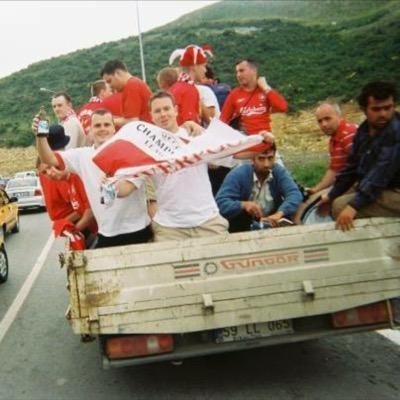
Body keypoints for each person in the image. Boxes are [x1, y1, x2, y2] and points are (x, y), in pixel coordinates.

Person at [114, 91, 228, 242]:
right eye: (157, 111)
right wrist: (109, 186)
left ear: (175, 110)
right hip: (170, 229)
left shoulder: (195, 136)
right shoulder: (146, 149)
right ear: (151, 116)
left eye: (166, 109)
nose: (163, 114)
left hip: (208, 222)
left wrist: (261, 140)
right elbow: (126, 188)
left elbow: (231, 153)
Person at [33, 109, 152, 248]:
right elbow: (49, 158)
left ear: (114, 128)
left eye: (106, 125)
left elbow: (127, 189)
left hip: (138, 230)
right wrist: (41, 135)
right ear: (90, 129)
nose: (102, 129)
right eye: (97, 125)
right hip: (107, 234)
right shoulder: (82, 156)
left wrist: (111, 187)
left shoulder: (131, 153)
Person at [318, 81, 400, 231]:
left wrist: (353, 206)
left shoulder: (395, 132)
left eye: (388, 108)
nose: (383, 114)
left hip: (395, 189)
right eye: (376, 109)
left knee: (340, 206)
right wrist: (331, 194)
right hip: (382, 185)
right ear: (364, 110)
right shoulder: (364, 131)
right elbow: (351, 168)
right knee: (333, 198)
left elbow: (381, 172)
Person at [216, 143, 302, 233]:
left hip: (272, 223)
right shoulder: (238, 174)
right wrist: (243, 205)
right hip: (243, 227)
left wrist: (279, 214)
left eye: (270, 158)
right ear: (252, 159)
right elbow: (221, 203)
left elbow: (294, 193)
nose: (266, 164)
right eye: (261, 158)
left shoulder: (278, 171)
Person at [37, 125, 97, 239]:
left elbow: (87, 210)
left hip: (79, 224)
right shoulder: (65, 176)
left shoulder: (71, 175)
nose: (50, 173)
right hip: (73, 222)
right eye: (45, 172)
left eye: (52, 167)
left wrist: (69, 227)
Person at [220, 59, 287, 153]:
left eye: (242, 71)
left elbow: (282, 107)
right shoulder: (234, 94)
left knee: (279, 168)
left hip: (266, 145)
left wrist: (266, 87)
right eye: (237, 72)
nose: (238, 75)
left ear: (254, 71)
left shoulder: (264, 90)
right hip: (245, 149)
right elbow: (222, 121)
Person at [307, 102, 357, 194]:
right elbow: (334, 170)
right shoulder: (335, 138)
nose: (324, 124)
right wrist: (316, 189)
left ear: (339, 116)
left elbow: (358, 168)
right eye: (320, 121)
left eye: (327, 119)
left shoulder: (349, 135)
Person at [169, 44, 219, 126]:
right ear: (194, 67)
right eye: (203, 66)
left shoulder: (174, 88)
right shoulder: (190, 90)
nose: (205, 70)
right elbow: (191, 127)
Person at [100, 59, 152, 126]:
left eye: (109, 81)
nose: (110, 86)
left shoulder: (131, 85)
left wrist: (106, 121)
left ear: (118, 73)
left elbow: (132, 121)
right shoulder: (135, 83)